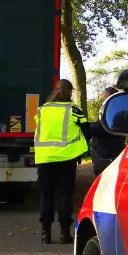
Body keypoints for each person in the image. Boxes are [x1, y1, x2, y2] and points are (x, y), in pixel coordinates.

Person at [33, 79, 91, 245]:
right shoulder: (74, 110)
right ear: (70, 92)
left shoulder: (41, 110)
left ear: (55, 91)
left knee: (47, 195)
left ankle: (45, 234)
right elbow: (87, 132)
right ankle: (65, 234)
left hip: (44, 159)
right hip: (66, 159)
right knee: (65, 196)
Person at [89, 86, 127, 175]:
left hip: (107, 161)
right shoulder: (120, 114)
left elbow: (100, 127)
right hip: (112, 158)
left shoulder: (113, 116)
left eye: (105, 99)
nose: (103, 103)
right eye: (103, 100)